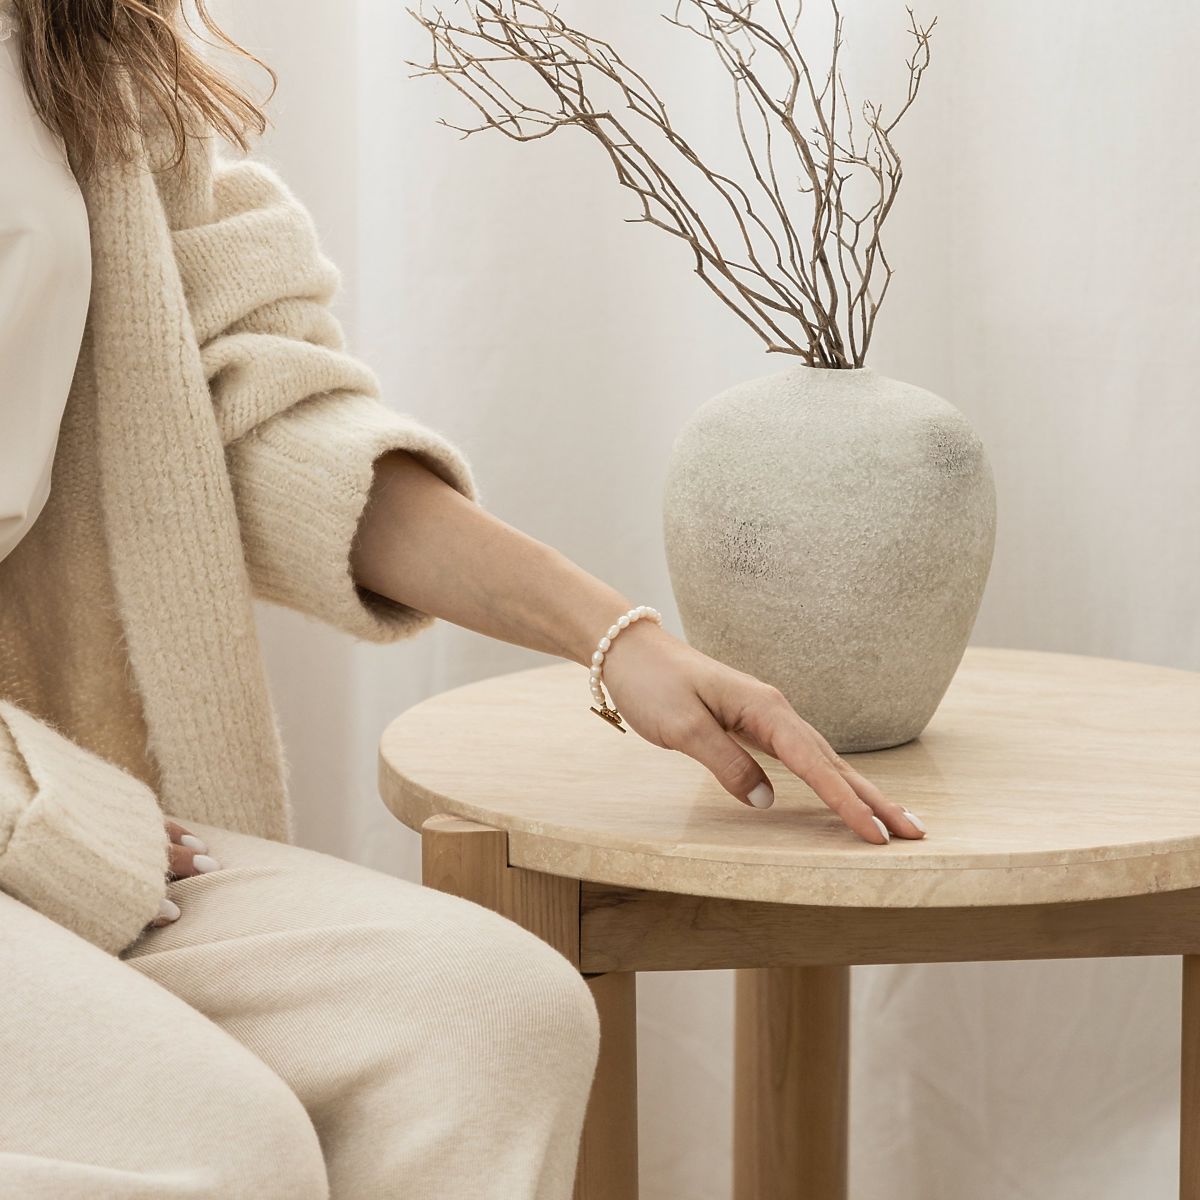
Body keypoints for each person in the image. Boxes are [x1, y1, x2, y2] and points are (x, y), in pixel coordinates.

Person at [0, 1, 926, 1197]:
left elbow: (238, 407)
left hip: (57, 802)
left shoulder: (75, 36)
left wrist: (617, 638)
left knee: (491, 1018)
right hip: (40, 800)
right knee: (219, 1144)